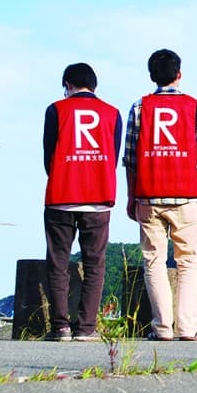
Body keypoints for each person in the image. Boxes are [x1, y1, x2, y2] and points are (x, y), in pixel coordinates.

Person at [124, 49, 197, 341]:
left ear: (152, 76)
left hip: (149, 195)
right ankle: (188, 328)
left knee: (154, 261)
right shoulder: (196, 106)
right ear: (179, 74)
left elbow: (130, 159)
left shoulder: (139, 108)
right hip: (186, 195)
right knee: (188, 261)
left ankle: (162, 327)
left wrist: (131, 196)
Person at [43, 63, 122, 342]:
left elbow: (48, 156)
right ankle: (86, 327)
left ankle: (60, 327)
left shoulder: (56, 109)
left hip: (61, 195)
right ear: (94, 85)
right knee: (95, 264)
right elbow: (113, 156)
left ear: (68, 84)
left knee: (58, 262)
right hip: (98, 196)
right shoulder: (112, 113)